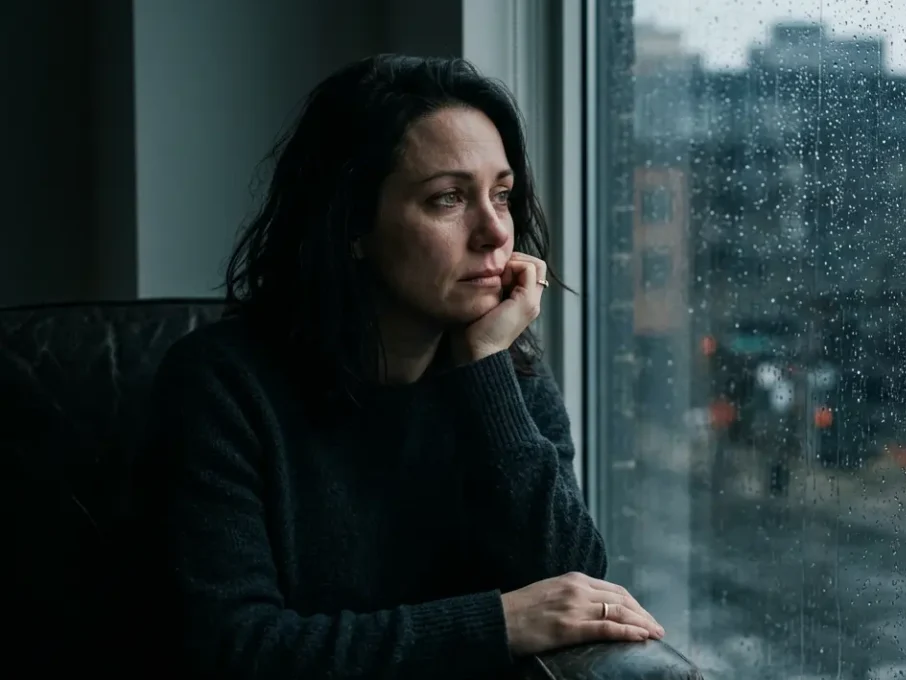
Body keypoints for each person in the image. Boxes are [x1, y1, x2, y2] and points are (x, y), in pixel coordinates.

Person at [132, 54, 664, 679]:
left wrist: (485, 370)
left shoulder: (503, 373)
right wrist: (498, 623)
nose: (495, 232)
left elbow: (573, 580)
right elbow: (235, 649)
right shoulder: (220, 386)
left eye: (501, 194)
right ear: (353, 223)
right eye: (448, 199)